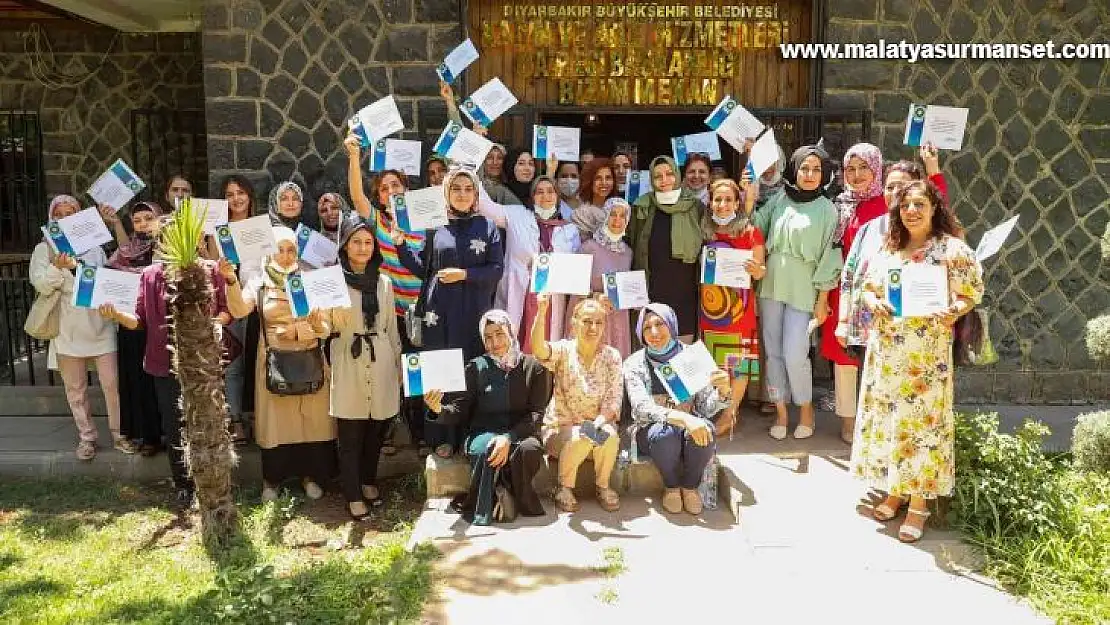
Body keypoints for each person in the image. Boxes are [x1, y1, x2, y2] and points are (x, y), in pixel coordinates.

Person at [851, 179, 983, 543]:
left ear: (934, 208)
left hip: (925, 360)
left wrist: (953, 310)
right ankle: (896, 491)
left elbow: (971, 292)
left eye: (919, 205)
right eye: (906, 205)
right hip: (888, 354)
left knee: (921, 429)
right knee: (892, 422)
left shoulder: (951, 250)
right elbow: (868, 287)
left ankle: (919, 505)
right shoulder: (890, 247)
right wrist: (872, 301)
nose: (911, 211)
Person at [100, 221, 231, 506]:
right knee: (174, 426)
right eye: (166, 237)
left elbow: (224, 310)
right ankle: (183, 483)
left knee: (207, 420)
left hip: (203, 362)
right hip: (164, 363)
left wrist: (214, 324)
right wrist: (118, 316)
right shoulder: (150, 275)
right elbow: (139, 320)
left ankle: (213, 480)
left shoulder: (210, 270)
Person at [395, 168, 504, 457]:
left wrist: (464, 274)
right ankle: (441, 437)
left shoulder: (487, 227)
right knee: (440, 372)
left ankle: (472, 435)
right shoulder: (435, 226)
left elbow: (496, 270)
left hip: (472, 313)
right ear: (446, 192)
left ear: (476, 193)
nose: (462, 194)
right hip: (438, 314)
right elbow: (423, 267)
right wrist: (400, 245)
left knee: (471, 372)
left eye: (468, 188)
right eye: (456, 188)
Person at [225, 226, 337, 501]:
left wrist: (299, 332)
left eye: (291, 250)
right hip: (273, 364)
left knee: (309, 424)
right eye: (280, 249)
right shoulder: (259, 281)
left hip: (309, 361)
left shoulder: (310, 279)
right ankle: (271, 482)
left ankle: (310, 477)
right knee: (275, 426)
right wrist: (230, 281)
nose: (286, 256)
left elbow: (326, 325)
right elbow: (239, 310)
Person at [424, 310, 552, 525]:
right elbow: (459, 410)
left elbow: (536, 415)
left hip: (520, 432)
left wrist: (509, 437)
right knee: (488, 448)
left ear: (511, 333)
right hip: (483, 433)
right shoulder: (475, 368)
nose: (495, 342)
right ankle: (488, 503)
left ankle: (508, 492)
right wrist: (437, 408)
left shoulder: (534, 368)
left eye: (500, 334)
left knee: (529, 449)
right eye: (488, 337)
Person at [30, 196, 130, 461]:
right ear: (53, 219)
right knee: (75, 388)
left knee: (112, 384)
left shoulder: (96, 245)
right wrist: (57, 267)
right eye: (59, 214)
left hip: (100, 323)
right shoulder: (45, 249)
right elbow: (40, 284)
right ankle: (87, 437)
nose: (65, 218)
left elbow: (115, 270)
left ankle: (120, 433)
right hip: (67, 327)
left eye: (71, 212)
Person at [753, 144, 842, 441]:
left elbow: (831, 257)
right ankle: (781, 412)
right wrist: (750, 184)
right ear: (794, 169)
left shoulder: (828, 209)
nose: (810, 174)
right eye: (805, 168)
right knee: (774, 354)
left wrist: (823, 299)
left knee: (795, 354)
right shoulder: (780, 198)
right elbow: (755, 226)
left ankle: (806, 410)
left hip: (805, 289)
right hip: (771, 286)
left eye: (816, 169)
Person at [347, 135, 429, 455]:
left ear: (405, 188)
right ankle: (394, 430)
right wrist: (355, 156)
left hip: (421, 309)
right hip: (389, 311)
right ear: (379, 197)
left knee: (419, 371)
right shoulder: (378, 220)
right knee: (391, 370)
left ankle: (422, 434)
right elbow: (355, 196)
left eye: (395, 185)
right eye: (384, 188)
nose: (391, 191)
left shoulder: (425, 218)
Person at [836, 148, 949, 363]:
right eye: (890, 187)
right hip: (870, 331)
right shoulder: (868, 230)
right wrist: (843, 320)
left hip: (918, 331)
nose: (896, 192)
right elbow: (849, 277)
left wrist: (933, 167)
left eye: (902, 187)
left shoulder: (930, 234)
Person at [326, 214, 401, 522]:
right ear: (344, 245)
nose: (362, 248)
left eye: (368, 242)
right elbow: (324, 325)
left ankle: (369, 481)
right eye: (356, 241)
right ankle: (353, 494)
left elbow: (391, 328)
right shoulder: (332, 281)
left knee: (376, 429)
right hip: (348, 356)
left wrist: (396, 365)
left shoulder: (383, 282)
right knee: (351, 432)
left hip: (380, 357)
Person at [624, 303, 731, 515]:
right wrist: (682, 419)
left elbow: (704, 408)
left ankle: (690, 487)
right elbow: (640, 408)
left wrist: (723, 391)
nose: (654, 333)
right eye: (647, 328)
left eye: (660, 324)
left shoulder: (692, 355)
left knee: (706, 430)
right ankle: (671, 487)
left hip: (690, 426)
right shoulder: (634, 363)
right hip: (653, 431)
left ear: (672, 325)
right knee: (666, 434)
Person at [819, 143, 888, 443]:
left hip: (881, 293)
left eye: (864, 168)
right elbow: (831, 250)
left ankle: (877, 423)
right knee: (844, 359)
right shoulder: (840, 205)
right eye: (851, 169)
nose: (857, 175)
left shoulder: (891, 204)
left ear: (876, 169)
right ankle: (848, 423)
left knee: (879, 355)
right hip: (845, 293)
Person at [532, 295, 623, 513]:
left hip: (595, 429)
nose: (593, 327)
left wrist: (598, 424)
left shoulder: (612, 356)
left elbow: (614, 399)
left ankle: (602, 486)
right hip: (561, 433)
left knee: (608, 435)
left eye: (598, 322)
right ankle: (564, 488)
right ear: (574, 323)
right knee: (581, 435)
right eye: (587, 321)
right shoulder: (564, 351)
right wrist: (542, 311)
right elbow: (538, 349)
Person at [698, 178, 766, 435]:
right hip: (710, 310)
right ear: (711, 202)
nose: (723, 204)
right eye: (718, 199)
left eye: (728, 199)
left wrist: (757, 270)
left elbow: (760, 271)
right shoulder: (705, 230)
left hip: (739, 310)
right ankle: (715, 408)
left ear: (737, 203)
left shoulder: (750, 232)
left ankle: (730, 413)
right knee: (713, 362)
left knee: (739, 363)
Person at [488, 176, 580, 352]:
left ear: (557, 197)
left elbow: (574, 270)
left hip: (552, 299)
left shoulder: (570, 229)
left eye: (550, 191)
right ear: (532, 197)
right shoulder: (518, 216)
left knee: (547, 348)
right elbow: (486, 208)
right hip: (523, 293)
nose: (545, 196)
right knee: (518, 343)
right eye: (539, 191)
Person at [106, 201, 164, 456]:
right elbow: (109, 278)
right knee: (138, 380)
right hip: (132, 325)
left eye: (148, 218)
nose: (142, 224)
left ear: (159, 219)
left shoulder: (168, 247)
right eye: (137, 220)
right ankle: (148, 436)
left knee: (161, 380)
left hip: (160, 324)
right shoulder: (124, 252)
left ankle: (169, 432)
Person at [628, 156, 704, 339]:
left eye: (669, 174)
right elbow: (631, 242)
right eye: (658, 176)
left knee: (683, 353)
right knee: (655, 346)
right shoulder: (642, 206)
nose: (664, 181)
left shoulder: (695, 206)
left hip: (686, 294)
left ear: (677, 176)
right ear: (651, 181)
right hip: (653, 291)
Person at [218, 174, 259, 445]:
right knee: (232, 364)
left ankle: (257, 418)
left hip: (256, 305)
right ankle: (235, 421)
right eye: (230, 194)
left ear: (249, 195)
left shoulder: (260, 227)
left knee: (256, 363)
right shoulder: (218, 229)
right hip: (228, 304)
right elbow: (212, 264)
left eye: (240, 192)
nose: (236, 198)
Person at [569, 197, 634, 358]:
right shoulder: (588, 247)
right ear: (605, 216)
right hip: (590, 319)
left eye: (622, 216)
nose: (617, 220)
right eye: (613, 214)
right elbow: (574, 286)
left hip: (617, 322)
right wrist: (595, 296)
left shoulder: (628, 253)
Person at [572, 157, 617, 240]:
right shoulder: (580, 215)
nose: (604, 183)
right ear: (589, 181)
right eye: (598, 178)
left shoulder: (619, 210)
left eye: (608, 178)